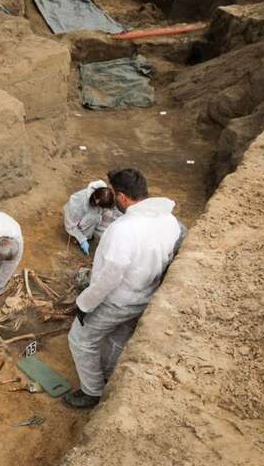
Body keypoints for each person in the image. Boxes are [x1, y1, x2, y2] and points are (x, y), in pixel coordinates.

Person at [65, 168, 183, 409]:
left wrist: (84, 304)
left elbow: (110, 276)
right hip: (146, 295)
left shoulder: (122, 229)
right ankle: (109, 375)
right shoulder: (169, 220)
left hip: (118, 300)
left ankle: (92, 392)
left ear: (122, 197)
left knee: (80, 338)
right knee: (119, 336)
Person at [63, 180, 120, 256]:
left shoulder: (103, 192)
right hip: (77, 221)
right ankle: (82, 236)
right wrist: (82, 240)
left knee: (105, 217)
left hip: (94, 213)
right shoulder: (77, 205)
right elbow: (70, 226)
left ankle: (92, 230)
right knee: (93, 217)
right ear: (96, 203)